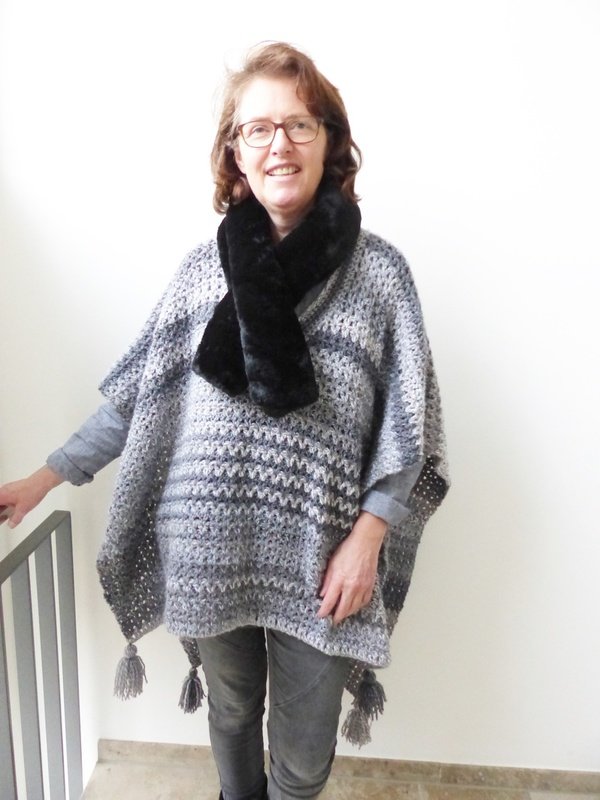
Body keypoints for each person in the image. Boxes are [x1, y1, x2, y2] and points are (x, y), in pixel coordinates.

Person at [0, 42, 449, 800]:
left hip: (322, 558)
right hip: (207, 547)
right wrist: (44, 478)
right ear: (235, 153)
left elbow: (410, 430)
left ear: (330, 141)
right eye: (258, 129)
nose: (279, 144)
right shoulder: (199, 274)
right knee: (233, 714)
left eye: (299, 125)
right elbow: (138, 399)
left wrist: (369, 538)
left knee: (302, 756)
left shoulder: (380, 277)